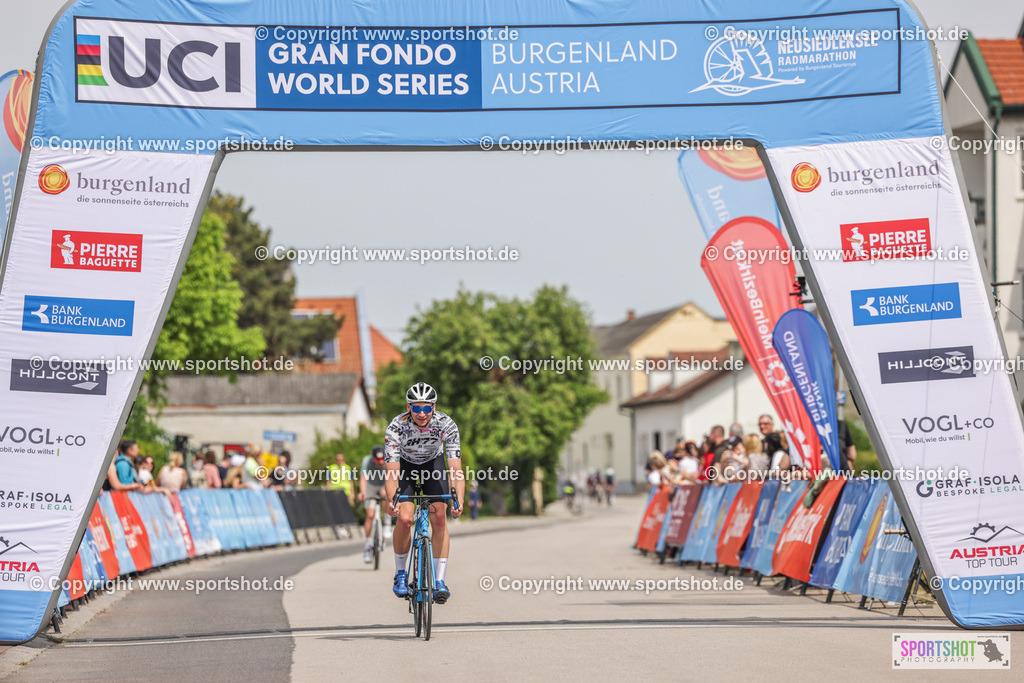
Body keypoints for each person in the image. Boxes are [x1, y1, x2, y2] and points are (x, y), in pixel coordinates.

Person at [384, 382, 464, 605]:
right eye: (416, 408)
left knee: (439, 517)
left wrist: (459, 500)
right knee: (405, 518)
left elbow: (455, 468)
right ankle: (401, 574)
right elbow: (392, 472)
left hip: (433, 465)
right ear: (408, 407)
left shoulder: (446, 424)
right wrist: (394, 501)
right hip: (406, 467)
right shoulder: (395, 427)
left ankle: (439, 580)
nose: (421, 413)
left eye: (426, 408)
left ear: (434, 407)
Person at [358, 446, 390, 563]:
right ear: (373, 458)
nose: (380, 462)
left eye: (382, 460)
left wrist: (386, 489)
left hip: (384, 483)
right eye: (377, 460)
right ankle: (367, 547)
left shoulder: (388, 461)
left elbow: (391, 477)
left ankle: (387, 522)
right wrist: (362, 493)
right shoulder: (367, 461)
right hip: (371, 485)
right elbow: (363, 478)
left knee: (387, 495)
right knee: (370, 516)